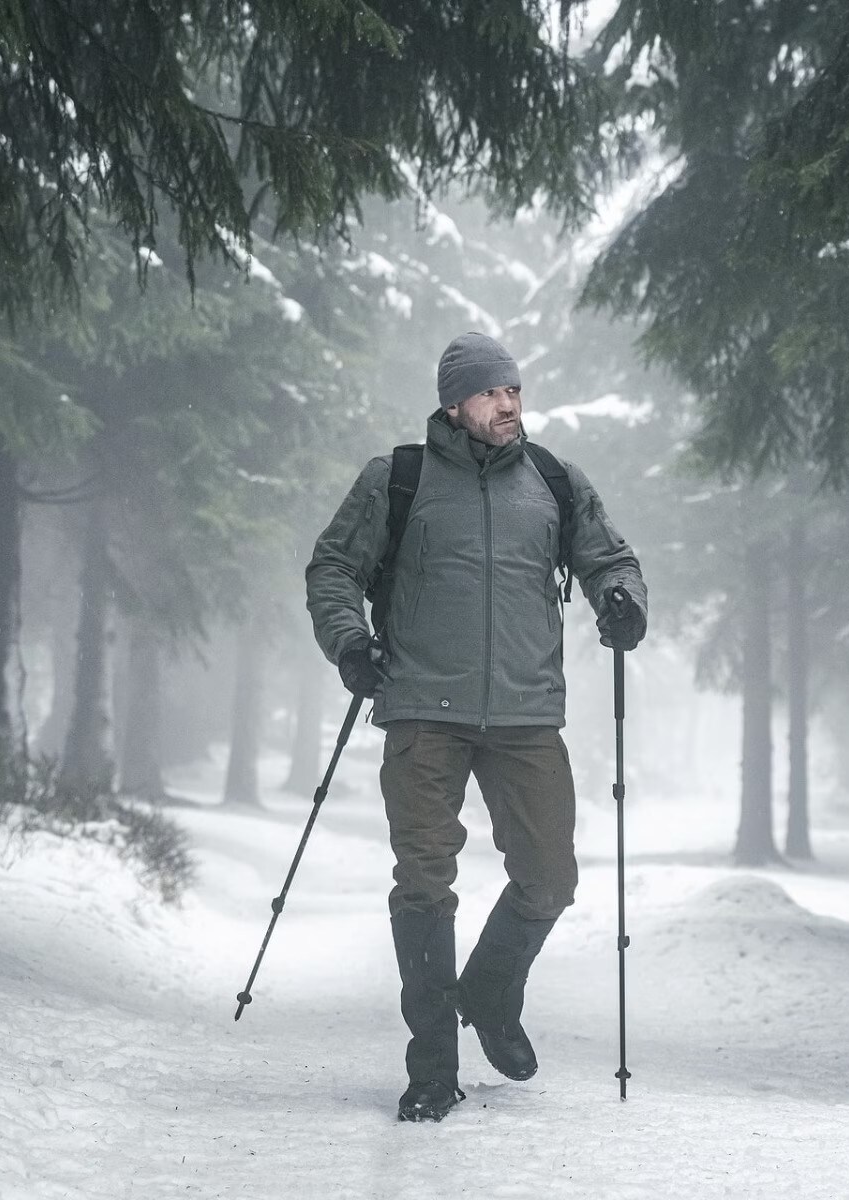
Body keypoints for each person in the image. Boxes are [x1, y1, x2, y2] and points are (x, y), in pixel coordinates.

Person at [305, 331, 648, 1123]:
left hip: (526, 715)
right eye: (495, 393)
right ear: (456, 401)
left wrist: (622, 600)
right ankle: (432, 1070)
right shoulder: (400, 478)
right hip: (423, 708)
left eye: (516, 391)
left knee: (550, 877)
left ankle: (491, 988)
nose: (511, 405)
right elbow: (333, 567)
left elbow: (608, 558)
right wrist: (349, 642)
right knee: (425, 881)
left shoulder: (553, 481)